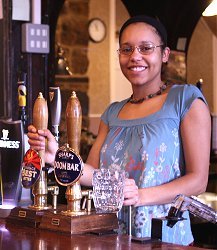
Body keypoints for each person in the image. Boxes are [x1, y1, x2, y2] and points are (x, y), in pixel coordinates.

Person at [27, 15, 211, 245]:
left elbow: (198, 180)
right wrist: (57, 157)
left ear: (164, 54)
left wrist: (141, 196)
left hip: (164, 239)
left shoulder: (185, 99)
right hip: (112, 237)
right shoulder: (112, 113)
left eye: (146, 48)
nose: (135, 56)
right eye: (126, 49)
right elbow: (93, 175)